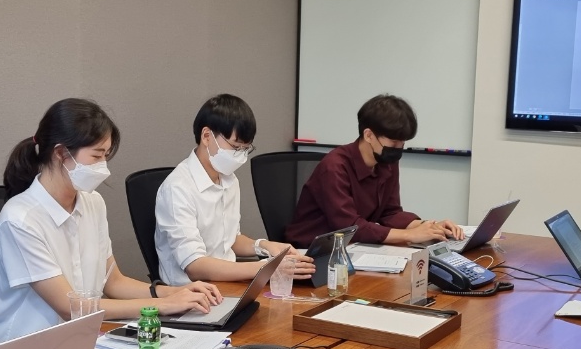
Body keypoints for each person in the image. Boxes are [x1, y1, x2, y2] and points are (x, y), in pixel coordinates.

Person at [0, 98, 224, 345]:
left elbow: (113, 282)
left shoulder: (92, 202)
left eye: (105, 156)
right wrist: (162, 305)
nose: (103, 166)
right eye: (96, 155)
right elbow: (71, 307)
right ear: (61, 153)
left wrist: (173, 291)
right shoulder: (20, 220)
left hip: (77, 340)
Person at [155, 94, 314, 286]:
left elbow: (229, 240)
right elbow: (195, 266)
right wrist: (265, 268)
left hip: (229, 283)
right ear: (206, 136)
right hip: (191, 292)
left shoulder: (229, 180)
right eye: (235, 147)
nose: (240, 156)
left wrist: (264, 246)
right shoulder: (177, 188)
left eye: (245, 149)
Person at [285, 94, 464, 248]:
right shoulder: (334, 167)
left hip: (353, 246)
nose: (398, 149)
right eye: (393, 142)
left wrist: (429, 226)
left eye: (403, 143)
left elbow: (390, 213)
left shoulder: (386, 162)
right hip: (312, 250)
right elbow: (349, 227)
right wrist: (410, 235)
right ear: (369, 135)